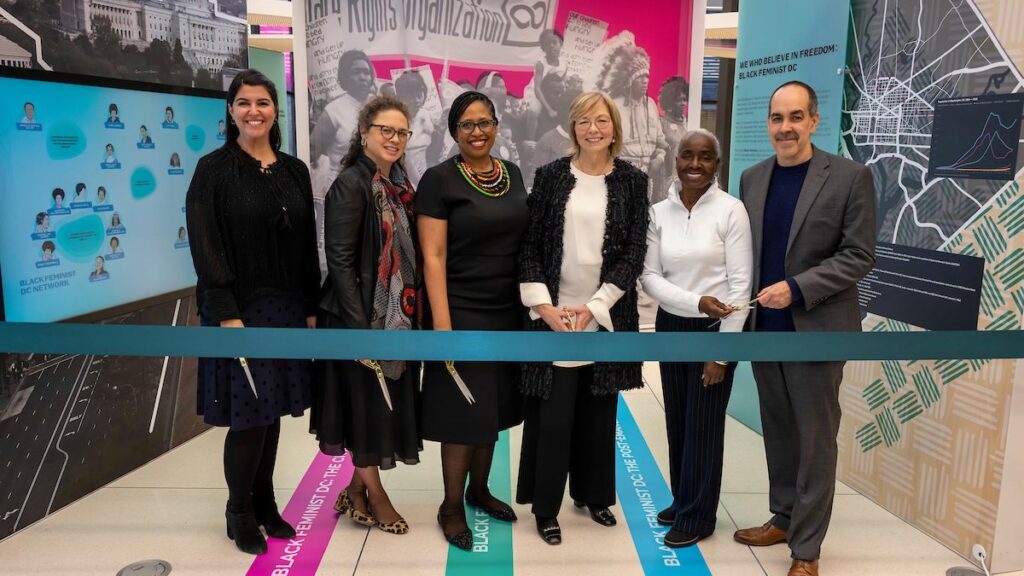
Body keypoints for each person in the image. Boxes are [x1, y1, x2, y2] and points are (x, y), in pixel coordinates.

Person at [733, 81, 876, 576]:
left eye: (796, 117)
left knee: (816, 440)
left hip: (816, 329)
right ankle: (785, 515)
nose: (785, 127)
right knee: (778, 431)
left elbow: (859, 255)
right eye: (777, 118)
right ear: (768, 124)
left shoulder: (850, 177)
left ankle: (807, 550)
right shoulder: (751, 179)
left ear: (814, 121)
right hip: (763, 329)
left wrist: (796, 287)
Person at [185, 69, 321, 556]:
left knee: (273, 412)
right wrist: (225, 313)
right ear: (230, 110)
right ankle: (237, 511)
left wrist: (310, 305)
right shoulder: (213, 169)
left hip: (287, 309)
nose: (253, 111)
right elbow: (206, 247)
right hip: (238, 312)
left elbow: (307, 248)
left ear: (274, 110)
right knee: (249, 416)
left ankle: (264, 503)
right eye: (243, 103)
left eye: (262, 102)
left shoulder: (294, 170)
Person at [516, 91, 649, 545]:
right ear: (572, 129)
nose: (593, 129)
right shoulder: (551, 177)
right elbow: (530, 245)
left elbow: (634, 252)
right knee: (553, 418)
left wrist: (596, 307)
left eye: (601, 120)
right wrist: (543, 307)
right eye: (584, 122)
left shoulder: (633, 181)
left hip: (606, 315)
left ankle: (594, 496)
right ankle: (546, 506)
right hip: (553, 317)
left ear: (615, 126)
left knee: (599, 412)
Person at [415, 91, 529, 550]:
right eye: (467, 125)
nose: (477, 131)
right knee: (463, 413)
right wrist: (443, 327)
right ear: (454, 132)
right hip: (459, 310)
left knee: (494, 408)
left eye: (485, 122)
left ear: (497, 125)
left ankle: (479, 491)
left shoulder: (512, 173)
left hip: (507, 310)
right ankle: (450, 505)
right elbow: (433, 257)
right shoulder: (438, 180)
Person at [312, 96, 421, 536]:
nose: (394, 139)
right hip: (357, 320)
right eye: (386, 130)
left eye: (401, 132)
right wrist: (362, 332)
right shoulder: (351, 184)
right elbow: (338, 262)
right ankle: (376, 496)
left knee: (379, 408)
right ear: (364, 133)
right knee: (366, 408)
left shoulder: (397, 182)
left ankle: (355, 490)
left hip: (391, 317)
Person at [640, 129, 752, 548]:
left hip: (715, 331)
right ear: (676, 159)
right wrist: (694, 301)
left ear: (716, 165)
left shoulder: (731, 211)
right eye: (687, 155)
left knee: (704, 425)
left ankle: (698, 517)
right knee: (679, 421)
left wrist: (721, 354)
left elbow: (741, 288)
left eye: (705, 158)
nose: (694, 165)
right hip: (673, 325)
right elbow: (649, 278)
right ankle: (684, 498)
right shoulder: (658, 212)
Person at [311, 50, 377, 189]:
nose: (363, 77)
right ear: (345, 77)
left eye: (366, 72)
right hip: (342, 190)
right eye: (356, 72)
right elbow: (313, 152)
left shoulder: (379, 107)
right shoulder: (333, 111)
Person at [657, 77, 689, 202]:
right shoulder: (661, 123)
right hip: (667, 179)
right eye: (678, 100)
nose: (683, 103)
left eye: (684, 99)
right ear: (670, 102)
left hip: (686, 179)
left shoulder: (688, 124)